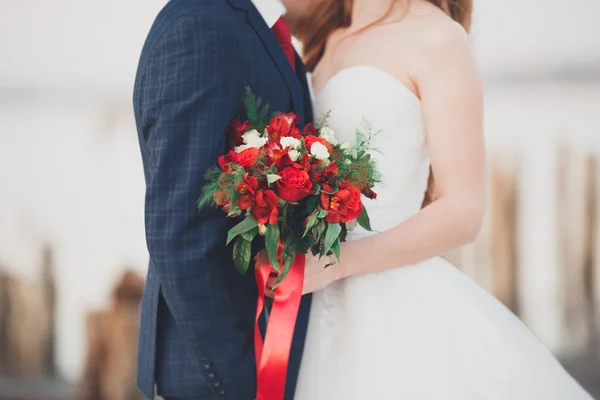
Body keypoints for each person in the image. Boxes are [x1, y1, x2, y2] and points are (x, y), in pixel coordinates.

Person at [281, 0, 596, 398]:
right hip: (306, 306)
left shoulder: (437, 38)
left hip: (390, 306)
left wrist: (334, 264)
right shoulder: (322, 32)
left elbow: (463, 211)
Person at [132, 0, 313, 399]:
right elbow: (178, 229)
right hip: (215, 373)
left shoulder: (262, 29)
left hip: (271, 357)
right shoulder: (200, 27)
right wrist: (238, 379)